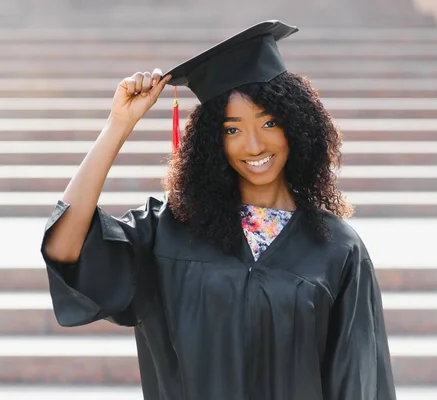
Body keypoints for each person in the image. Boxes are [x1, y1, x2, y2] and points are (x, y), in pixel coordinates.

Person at [41, 20, 396, 400]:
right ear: (212, 141)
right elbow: (65, 248)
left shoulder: (337, 249)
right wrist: (118, 125)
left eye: (269, 122)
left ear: (296, 126)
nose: (254, 144)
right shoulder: (169, 230)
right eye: (232, 129)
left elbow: (359, 383)